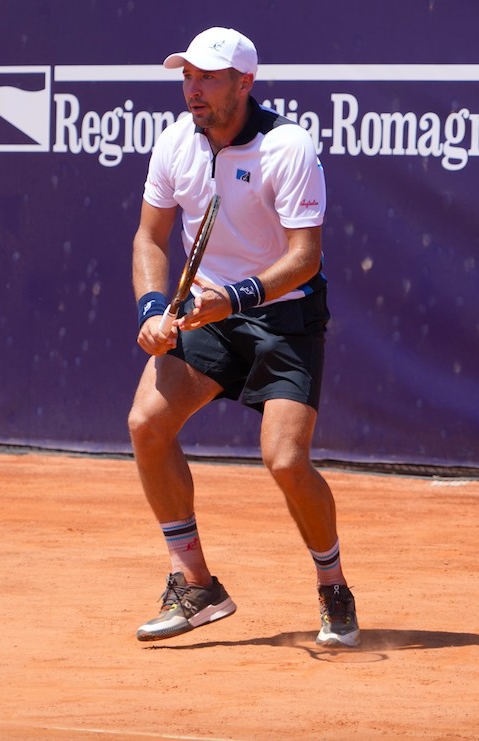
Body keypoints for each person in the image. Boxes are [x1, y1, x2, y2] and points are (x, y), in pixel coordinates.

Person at [128, 27, 359, 648]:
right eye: (187, 76)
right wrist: (152, 308)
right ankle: (196, 583)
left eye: (207, 77)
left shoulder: (287, 146)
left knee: (285, 460)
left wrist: (236, 297)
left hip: (283, 316)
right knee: (147, 424)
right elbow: (150, 238)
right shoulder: (175, 142)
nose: (193, 89)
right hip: (207, 312)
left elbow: (305, 257)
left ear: (244, 82)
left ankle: (333, 586)